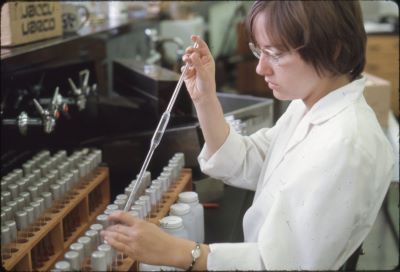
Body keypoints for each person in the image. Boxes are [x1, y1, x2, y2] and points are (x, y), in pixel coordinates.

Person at [101, 1, 394, 270]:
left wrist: (176, 251)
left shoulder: (346, 144)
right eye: (259, 51)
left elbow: (280, 266)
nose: (260, 67)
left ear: (334, 50)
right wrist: (205, 100)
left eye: (275, 54)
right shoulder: (309, 105)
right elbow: (249, 160)